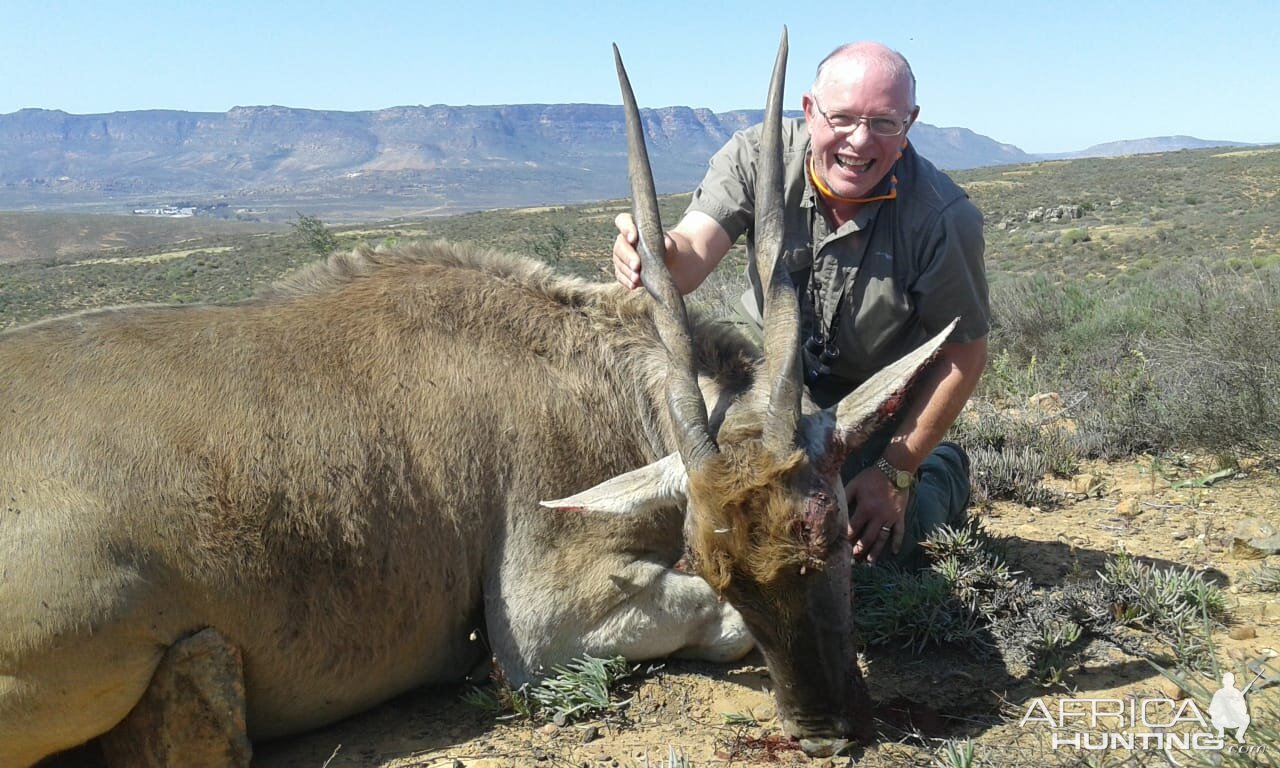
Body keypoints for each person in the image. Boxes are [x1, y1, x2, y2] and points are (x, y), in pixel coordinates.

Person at [611, 41, 989, 568]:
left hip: (862, 411)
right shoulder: (753, 156)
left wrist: (895, 469)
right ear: (811, 111)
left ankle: (941, 470)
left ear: (910, 124)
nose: (860, 140)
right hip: (758, 384)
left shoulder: (943, 218)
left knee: (864, 552)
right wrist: (652, 251)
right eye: (843, 118)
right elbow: (690, 256)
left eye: (884, 122)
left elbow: (964, 354)